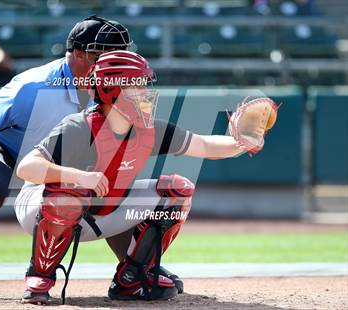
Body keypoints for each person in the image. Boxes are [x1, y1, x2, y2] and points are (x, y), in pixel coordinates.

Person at [14, 50, 273, 305]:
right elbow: (27, 168)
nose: (145, 93)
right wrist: (80, 177)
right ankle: (40, 277)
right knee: (69, 193)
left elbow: (205, 146)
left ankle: (131, 278)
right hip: (40, 208)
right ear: (111, 90)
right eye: (136, 85)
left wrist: (241, 142)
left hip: (102, 211)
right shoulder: (78, 126)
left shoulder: (148, 129)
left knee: (176, 192)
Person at [0, 15, 136, 298]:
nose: (115, 62)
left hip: (51, 157)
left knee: (106, 184)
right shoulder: (35, 84)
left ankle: (136, 268)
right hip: (6, 148)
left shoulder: (115, 87)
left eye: (120, 55)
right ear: (78, 54)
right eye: (106, 55)